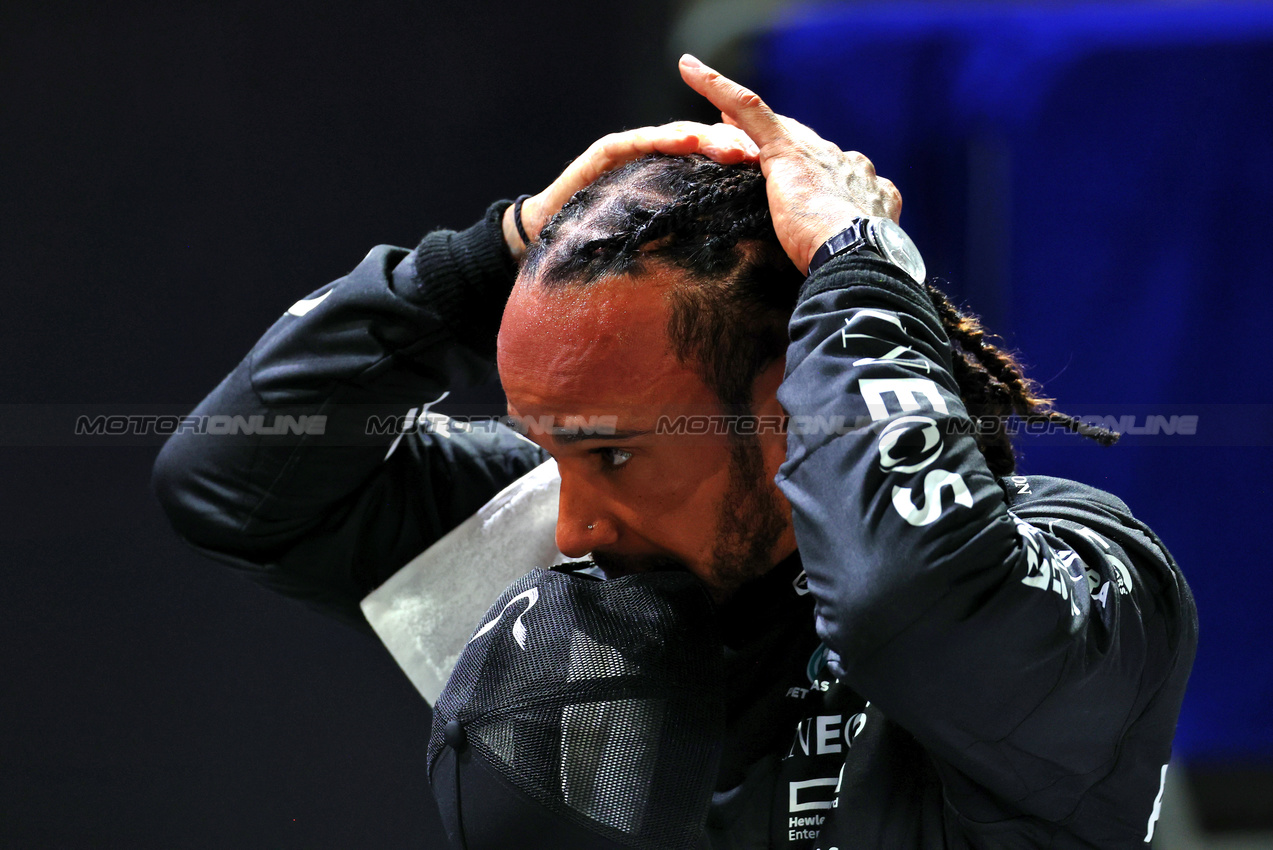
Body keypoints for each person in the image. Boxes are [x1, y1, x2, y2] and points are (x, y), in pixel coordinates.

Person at [154, 56, 1197, 848]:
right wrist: (492, 254)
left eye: (610, 455)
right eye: (552, 449)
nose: (569, 527)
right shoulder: (590, 544)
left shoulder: (1085, 574)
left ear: (795, 401)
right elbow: (231, 481)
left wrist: (860, 269)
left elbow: (903, 596)